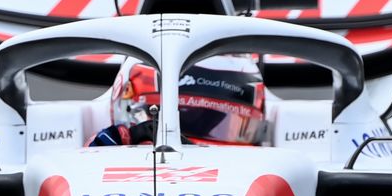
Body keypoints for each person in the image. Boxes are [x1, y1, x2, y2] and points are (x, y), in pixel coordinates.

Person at [90, 55, 268, 146]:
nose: (189, 142)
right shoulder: (108, 145)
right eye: (182, 121)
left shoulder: (251, 162)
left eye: (226, 124)